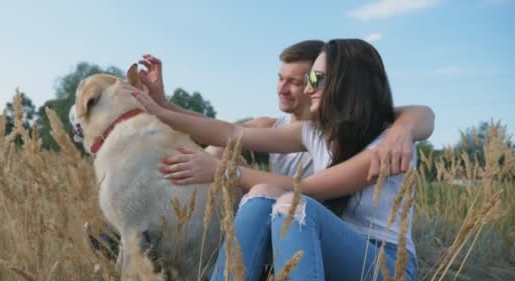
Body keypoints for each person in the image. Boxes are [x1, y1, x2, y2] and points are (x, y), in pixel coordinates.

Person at [127, 38, 422, 281]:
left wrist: (224, 171)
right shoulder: (315, 133)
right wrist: (159, 111)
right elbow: (232, 132)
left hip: (386, 280)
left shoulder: (387, 146)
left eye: (314, 79)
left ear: (347, 83)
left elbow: (308, 189)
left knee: (294, 204)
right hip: (325, 260)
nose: (308, 88)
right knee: (262, 195)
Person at [136, 40, 434, 184]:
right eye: (280, 79)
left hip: (308, 214)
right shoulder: (274, 126)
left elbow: (418, 114)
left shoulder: (348, 127)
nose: (283, 89)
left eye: (296, 81)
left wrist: (402, 128)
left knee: (253, 185)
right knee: (220, 147)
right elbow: (220, 128)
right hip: (278, 209)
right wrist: (162, 105)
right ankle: (163, 226)